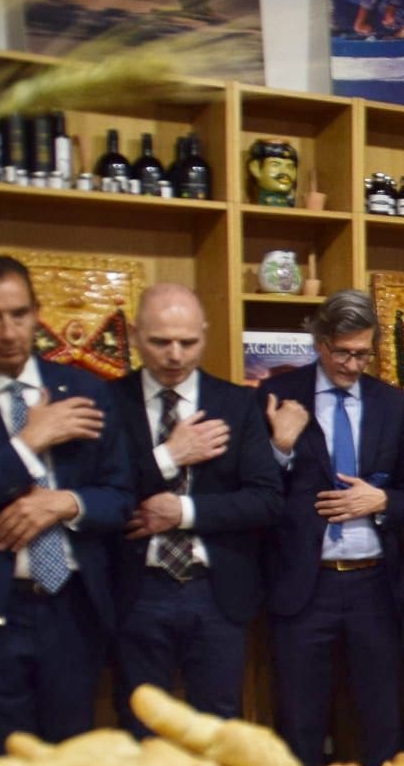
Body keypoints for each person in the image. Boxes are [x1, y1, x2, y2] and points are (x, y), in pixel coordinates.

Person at [0, 254, 133, 757]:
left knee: (68, 765)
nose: (9, 332)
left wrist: (65, 504)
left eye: (19, 314)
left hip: (73, 609)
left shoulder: (87, 391)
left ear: (37, 312)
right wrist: (28, 443)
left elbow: (121, 498)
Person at [261, 290, 404, 766]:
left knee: (382, 721)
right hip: (303, 585)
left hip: (374, 585)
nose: (353, 365)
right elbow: (253, 494)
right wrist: (279, 447)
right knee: (300, 723)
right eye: (343, 353)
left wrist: (383, 501)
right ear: (320, 343)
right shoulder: (278, 395)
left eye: (363, 354)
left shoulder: (392, 405)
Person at [109, 284, 281, 731]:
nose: (175, 355)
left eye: (188, 342)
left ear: (204, 333)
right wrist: (168, 457)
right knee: (141, 728)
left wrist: (183, 512)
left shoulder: (237, 404)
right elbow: (99, 494)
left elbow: (266, 500)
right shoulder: (108, 402)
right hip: (136, 591)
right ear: (134, 334)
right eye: (160, 341)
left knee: (217, 731)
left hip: (215, 592)